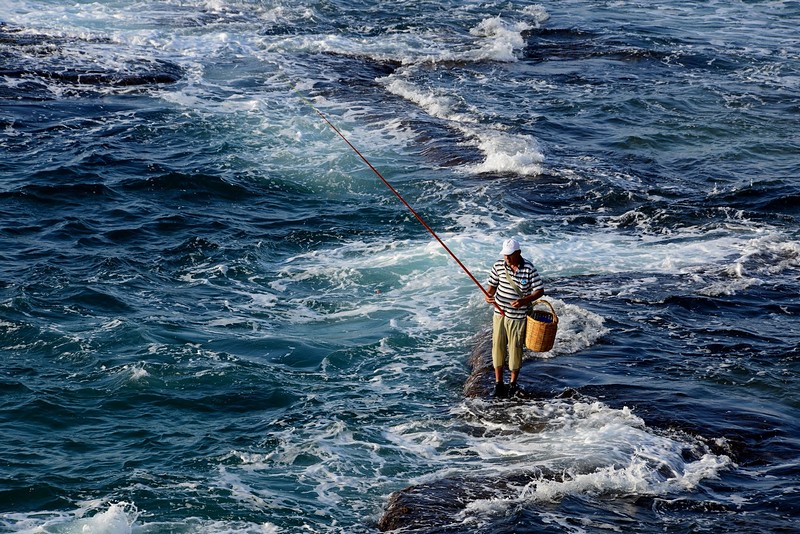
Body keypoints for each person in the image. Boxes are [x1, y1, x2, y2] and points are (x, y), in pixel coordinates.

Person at [484, 238, 544, 398]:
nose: (507, 258)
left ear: (518, 253)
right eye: (505, 254)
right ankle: (498, 383)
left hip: (517, 316)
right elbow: (491, 288)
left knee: (515, 347)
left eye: (510, 255)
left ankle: (512, 384)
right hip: (499, 312)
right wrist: (488, 296)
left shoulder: (529, 268)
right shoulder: (498, 266)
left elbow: (539, 290)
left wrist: (524, 301)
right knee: (498, 346)